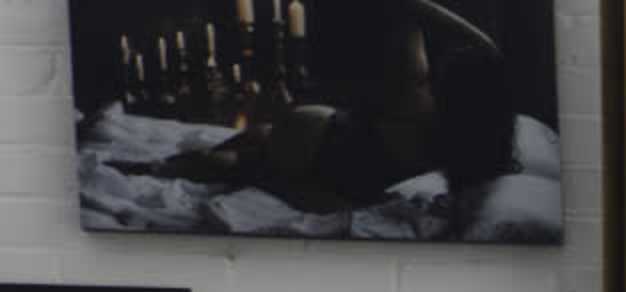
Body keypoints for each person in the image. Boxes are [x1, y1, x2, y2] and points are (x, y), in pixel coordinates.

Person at [135, 0, 517, 213]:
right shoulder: (445, 130)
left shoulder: (420, 107)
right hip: (321, 135)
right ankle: (165, 164)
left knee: (241, 160)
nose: (433, 77)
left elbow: (484, 49)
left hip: (312, 143)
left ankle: (157, 166)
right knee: (246, 154)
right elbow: (487, 53)